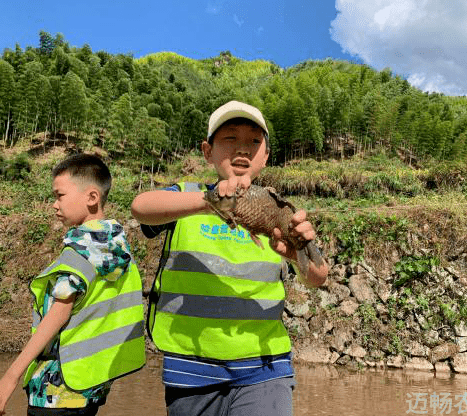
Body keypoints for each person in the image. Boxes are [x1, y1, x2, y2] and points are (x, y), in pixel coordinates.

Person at [131, 100, 329, 416]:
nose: (243, 149)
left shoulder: (279, 210)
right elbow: (141, 207)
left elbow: (318, 276)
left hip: (265, 365)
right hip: (190, 367)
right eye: (230, 138)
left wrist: (295, 254)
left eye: (254, 141)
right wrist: (208, 201)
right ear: (208, 151)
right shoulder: (186, 195)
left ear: (265, 155)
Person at [0, 153, 146, 416]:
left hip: (56, 390)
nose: (54, 205)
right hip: (92, 385)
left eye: (60, 195)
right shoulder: (119, 248)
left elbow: (58, 315)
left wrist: (9, 378)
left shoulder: (78, 255)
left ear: (92, 197)